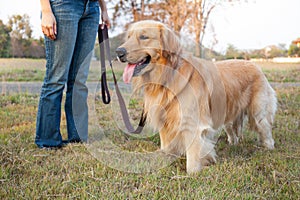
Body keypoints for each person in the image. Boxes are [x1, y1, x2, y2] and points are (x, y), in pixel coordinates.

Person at [35, 0, 110, 148]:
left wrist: (104, 9)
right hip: (63, 5)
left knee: (79, 80)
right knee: (56, 79)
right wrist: (46, 11)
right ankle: (48, 140)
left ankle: (78, 137)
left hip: (92, 8)